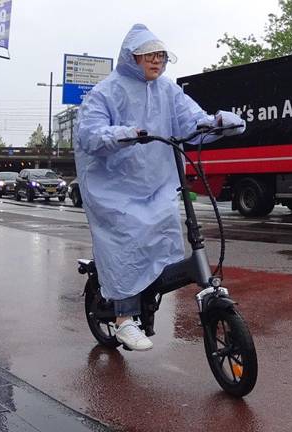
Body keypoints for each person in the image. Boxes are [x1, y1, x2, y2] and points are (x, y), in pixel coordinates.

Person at [74, 24, 245, 351]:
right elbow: (90, 134)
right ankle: (124, 319)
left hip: (157, 183)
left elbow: (192, 121)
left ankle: (148, 296)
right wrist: (123, 134)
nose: (158, 61)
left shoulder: (168, 90)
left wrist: (218, 124)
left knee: (164, 234)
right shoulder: (106, 92)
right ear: (132, 57)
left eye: (162, 56)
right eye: (150, 55)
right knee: (127, 240)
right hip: (115, 190)